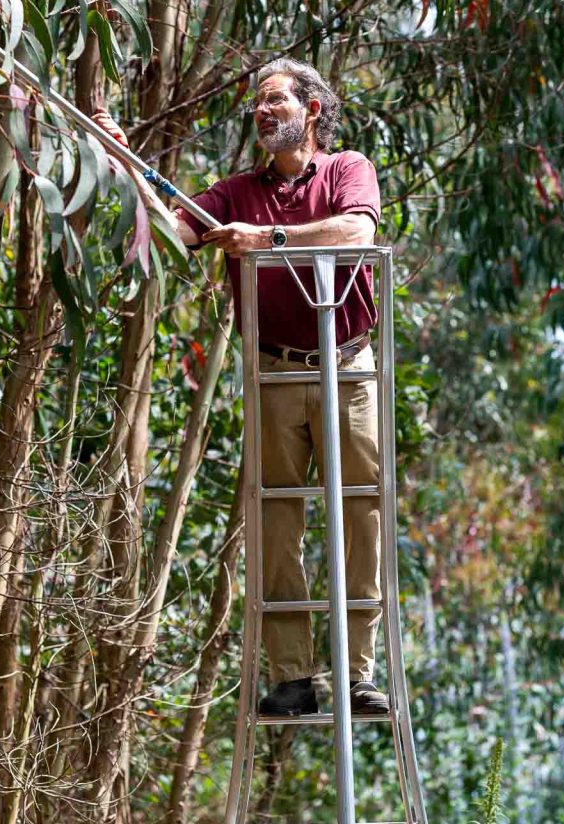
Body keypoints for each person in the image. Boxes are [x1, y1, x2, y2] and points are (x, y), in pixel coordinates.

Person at [96, 57, 388, 718]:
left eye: (276, 101)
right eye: (257, 105)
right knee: (277, 515)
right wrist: (124, 173)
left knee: (361, 511)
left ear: (312, 110)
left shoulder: (347, 169)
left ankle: (358, 673)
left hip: (348, 366)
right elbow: (172, 238)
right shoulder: (231, 192)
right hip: (274, 369)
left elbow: (355, 232)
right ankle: (292, 675)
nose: (262, 113)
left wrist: (267, 238)